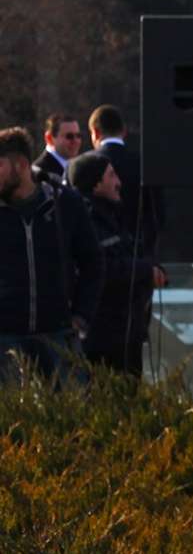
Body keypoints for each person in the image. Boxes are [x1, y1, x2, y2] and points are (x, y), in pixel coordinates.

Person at [0, 127, 102, 384]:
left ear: (21, 165)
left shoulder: (64, 203)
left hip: (59, 333)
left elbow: (93, 262)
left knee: (72, 416)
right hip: (5, 337)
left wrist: (81, 317)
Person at [66, 152, 165, 375]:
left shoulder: (111, 216)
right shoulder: (86, 221)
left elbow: (129, 255)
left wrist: (151, 268)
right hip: (101, 335)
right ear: (95, 183)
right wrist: (144, 271)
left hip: (125, 332)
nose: (118, 182)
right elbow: (102, 268)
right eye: (111, 176)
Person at [89, 105, 156, 256]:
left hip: (101, 258)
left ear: (95, 132)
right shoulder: (144, 164)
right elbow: (156, 215)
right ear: (124, 131)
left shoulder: (81, 166)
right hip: (139, 258)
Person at [35, 114, 82, 189]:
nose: (76, 141)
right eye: (69, 136)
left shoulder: (80, 168)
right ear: (49, 138)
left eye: (78, 136)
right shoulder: (40, 173)